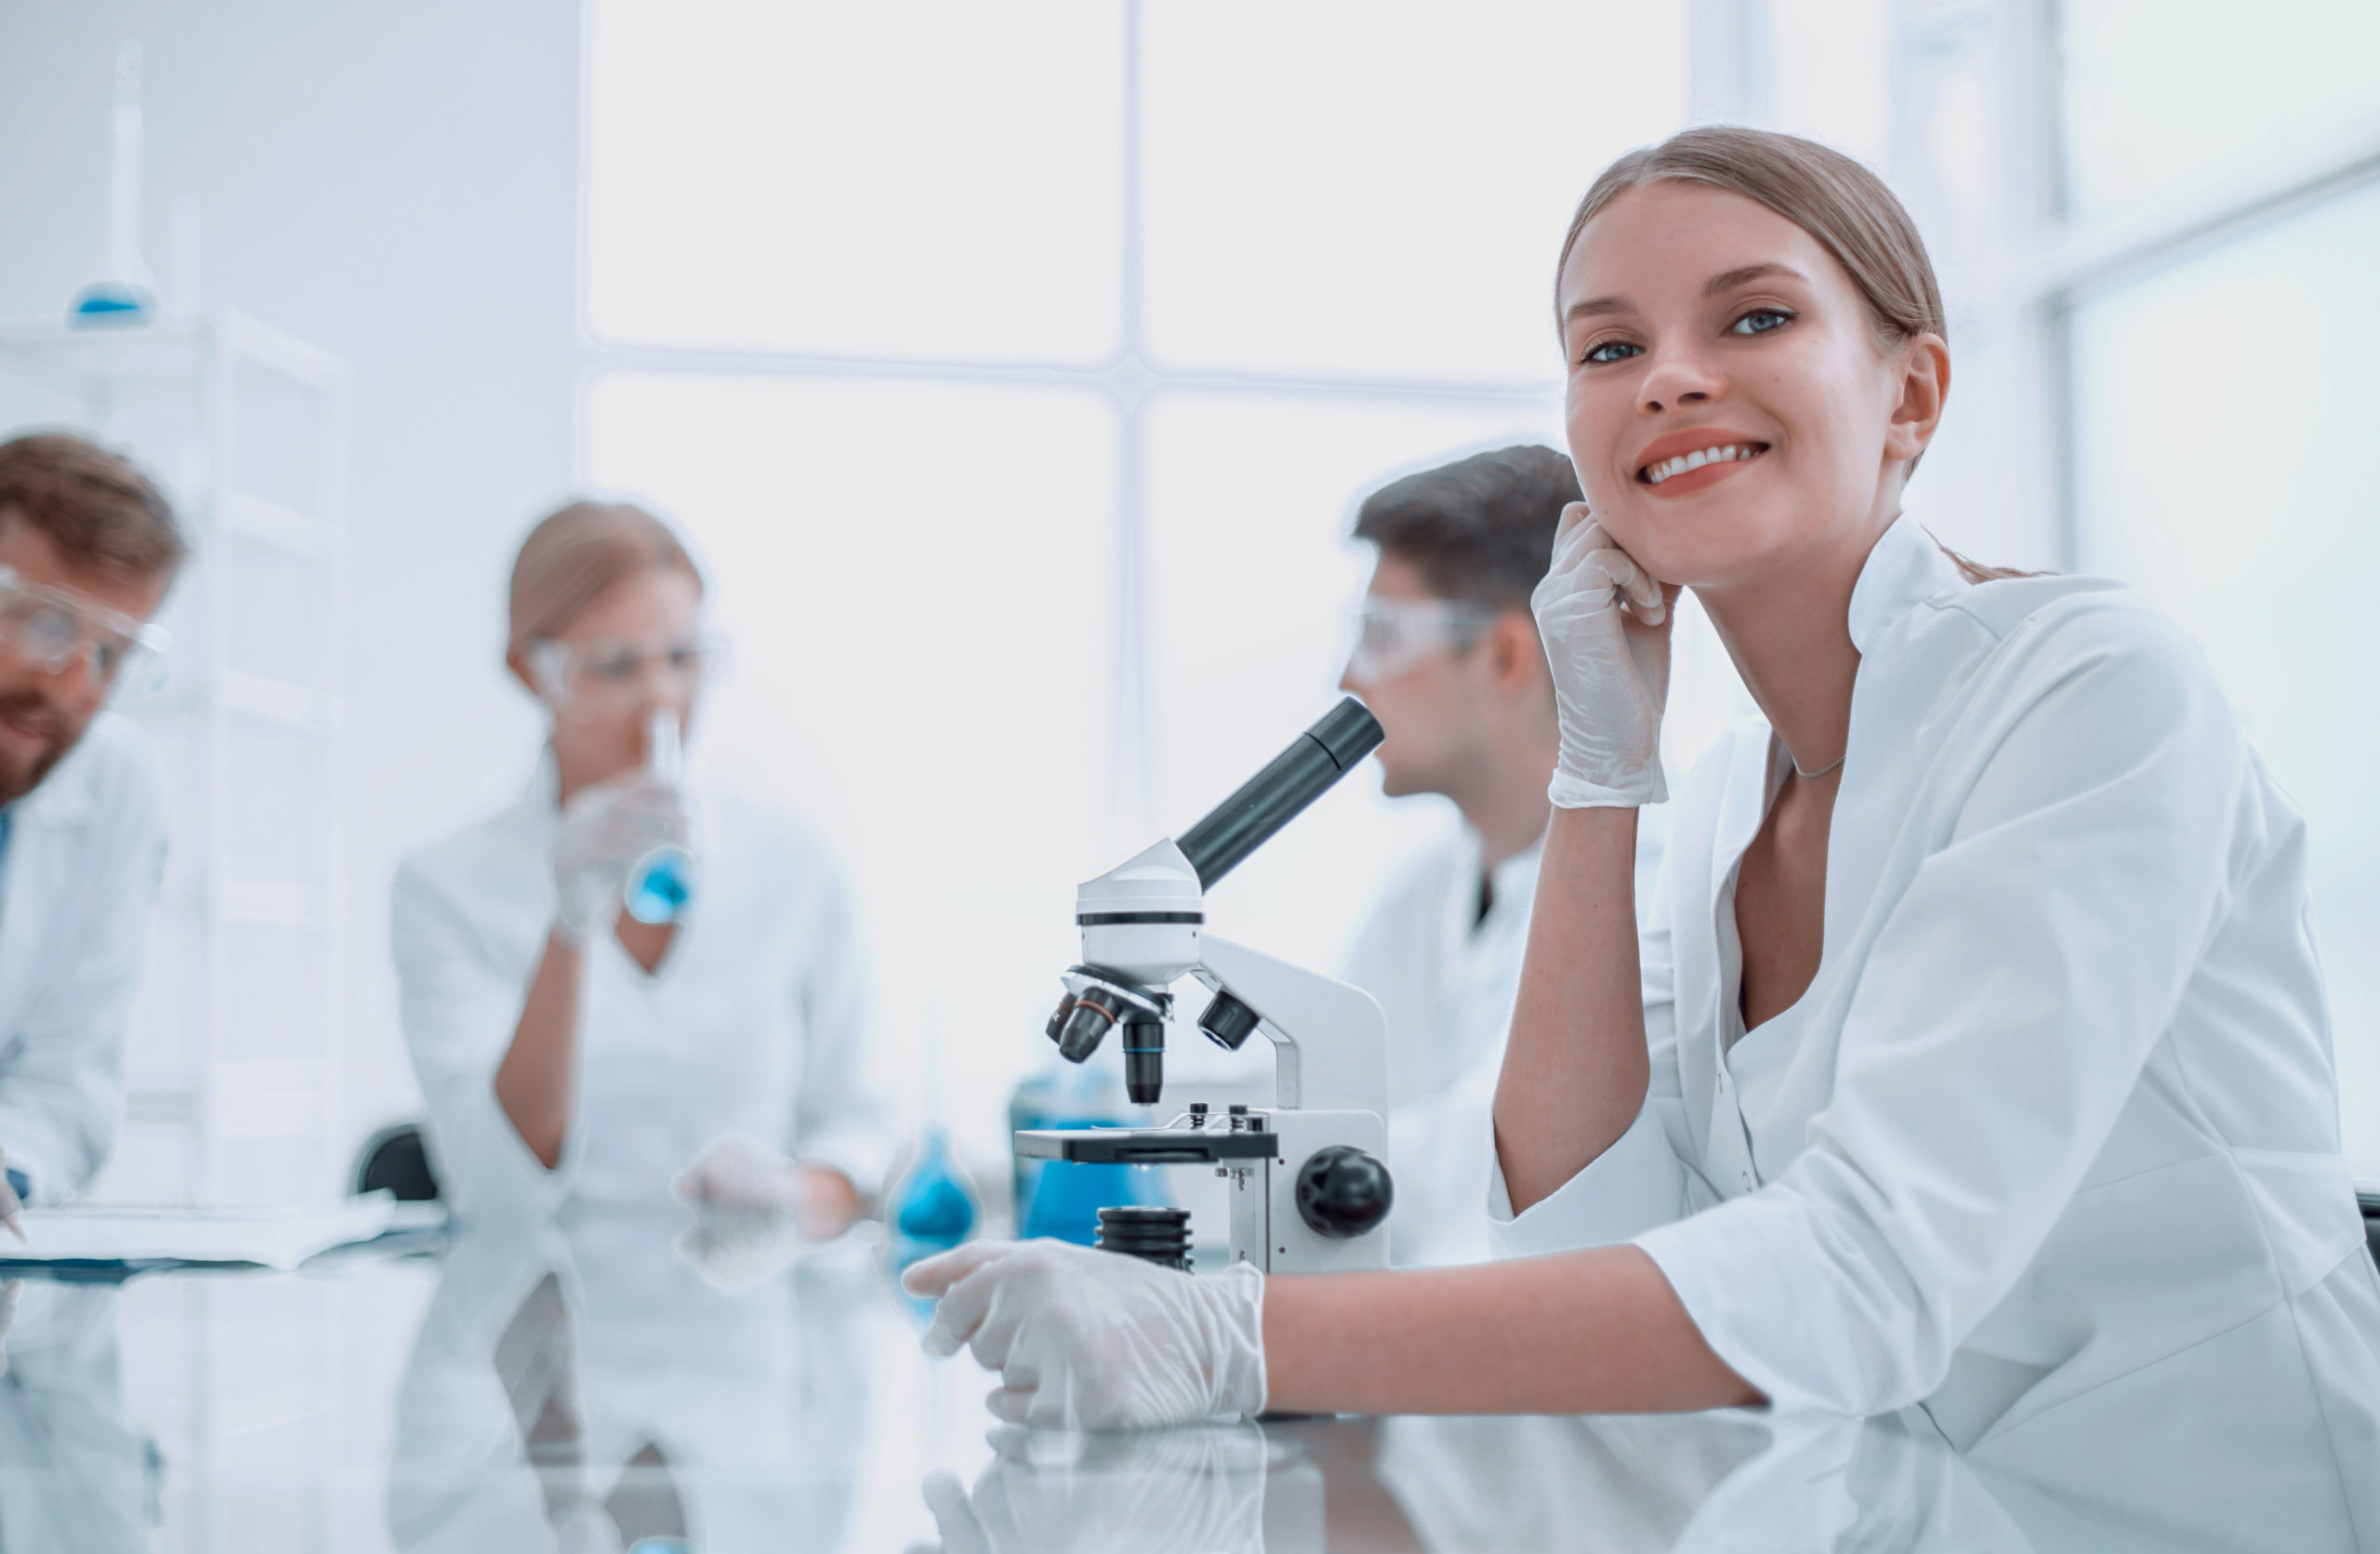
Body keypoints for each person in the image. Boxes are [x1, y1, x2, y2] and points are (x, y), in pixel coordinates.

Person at [902, 126, 2380, 1509]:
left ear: (1913, 393)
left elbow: (1871, 1271)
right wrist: (1598, 779)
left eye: (1753, 320)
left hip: (2226, 1502)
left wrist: (1240, 1336)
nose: (1669, 378)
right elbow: (1577, 1240)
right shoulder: (1733, 790)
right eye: (1610, 346)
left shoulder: (2089, 688)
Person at [391, 500, 892, 1229]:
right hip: (548, 1318)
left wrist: (789, 1196)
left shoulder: (795, 865)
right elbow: (494, 1185)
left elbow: (862, 1133)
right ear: (532, 671)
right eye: (616, 666)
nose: (661, 697)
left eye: (683, 659)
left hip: (755, 1320)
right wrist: (568, 930)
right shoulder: (446, 886)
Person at [1336, 445, 1573, 1267]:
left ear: (1506, 656)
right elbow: (1322, 1102)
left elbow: (1478, 1176)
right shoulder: (1421, 898)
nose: (1348, 682)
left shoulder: (1655, 895)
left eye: (1380, 638)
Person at [0, 432, 180, 1240]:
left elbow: (66, 1088)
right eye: (44, 623)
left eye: (111, 652)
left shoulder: (115, 786)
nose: (73, 683)